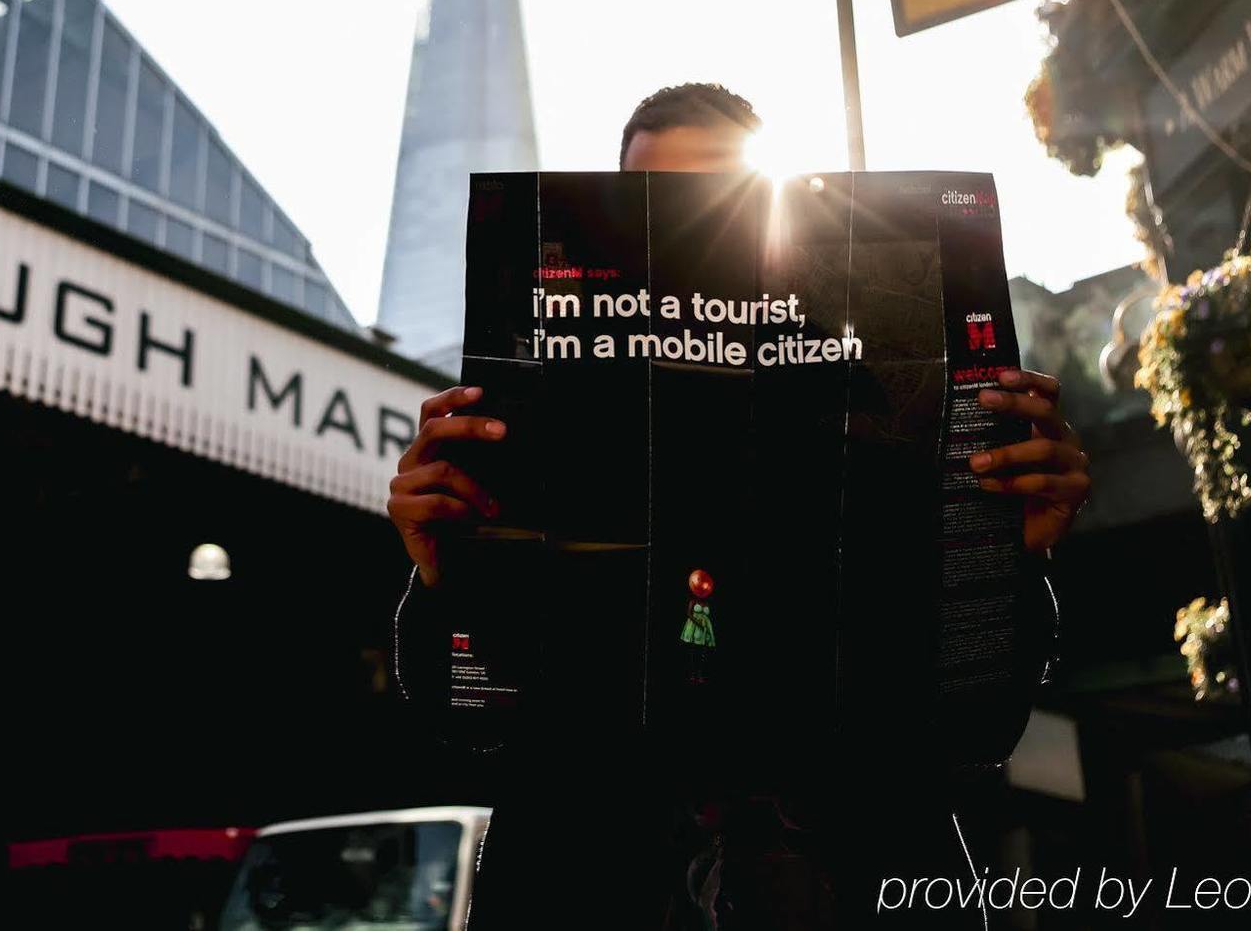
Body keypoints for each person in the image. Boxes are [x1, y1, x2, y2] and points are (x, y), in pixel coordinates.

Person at [388, 83, 1090, 929]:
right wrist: (443, 577)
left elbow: (980, 727)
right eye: (653, 204)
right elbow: (470, 718)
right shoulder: (531, 429)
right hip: (592, 884)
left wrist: (1016, 556)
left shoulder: (868, 409)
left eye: (718, 198)